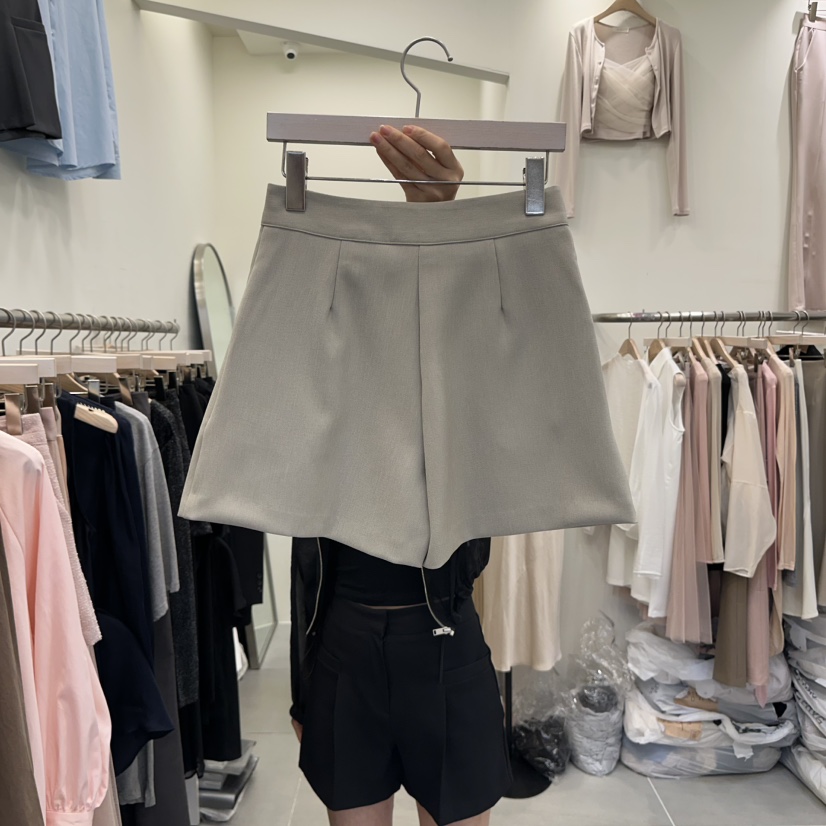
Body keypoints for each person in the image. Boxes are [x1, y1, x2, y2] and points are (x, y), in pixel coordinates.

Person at [289, 125, 512, 826]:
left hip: (444, 637)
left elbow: (482, 347)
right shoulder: (331, 389)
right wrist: (302, 682)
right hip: (344, 644)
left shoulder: (458, 387)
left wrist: (438, 225)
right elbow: (304, 552)